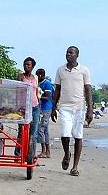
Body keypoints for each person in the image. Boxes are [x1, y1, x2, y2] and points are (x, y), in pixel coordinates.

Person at [51, 45, 92, 177]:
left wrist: (90, 109)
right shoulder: (60, 70)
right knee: (65, 134)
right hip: (65, 107)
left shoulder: (84, 70)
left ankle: (75, 167)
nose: (68, 54)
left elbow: (88, 90)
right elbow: (57, 89)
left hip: (79, 107)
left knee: (78, 135)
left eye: (71, 53)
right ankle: (67, 153)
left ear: (77, 55)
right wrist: (53, 107)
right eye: (67, 52)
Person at [19, 57, 40, 163]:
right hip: (23, 107)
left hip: (35, 106)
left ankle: (31, 154)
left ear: (32, 66)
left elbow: (35, 91)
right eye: (25, 64)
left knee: (33, 132)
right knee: (22, 131)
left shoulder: (35, 78)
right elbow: (17, 91)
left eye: (28, 64)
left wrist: (38, 103)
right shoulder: (21, 77)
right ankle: (18, 153)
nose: (26, 66)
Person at [36, 68, 54, 159]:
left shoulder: (47, 84)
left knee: (40, 129)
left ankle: (43, 150)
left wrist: (38, 96)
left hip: (46, 108)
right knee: (45, 130)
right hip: (40, 108)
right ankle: (47, 151)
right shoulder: (38, 83)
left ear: (40, 75)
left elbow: (47, 97)